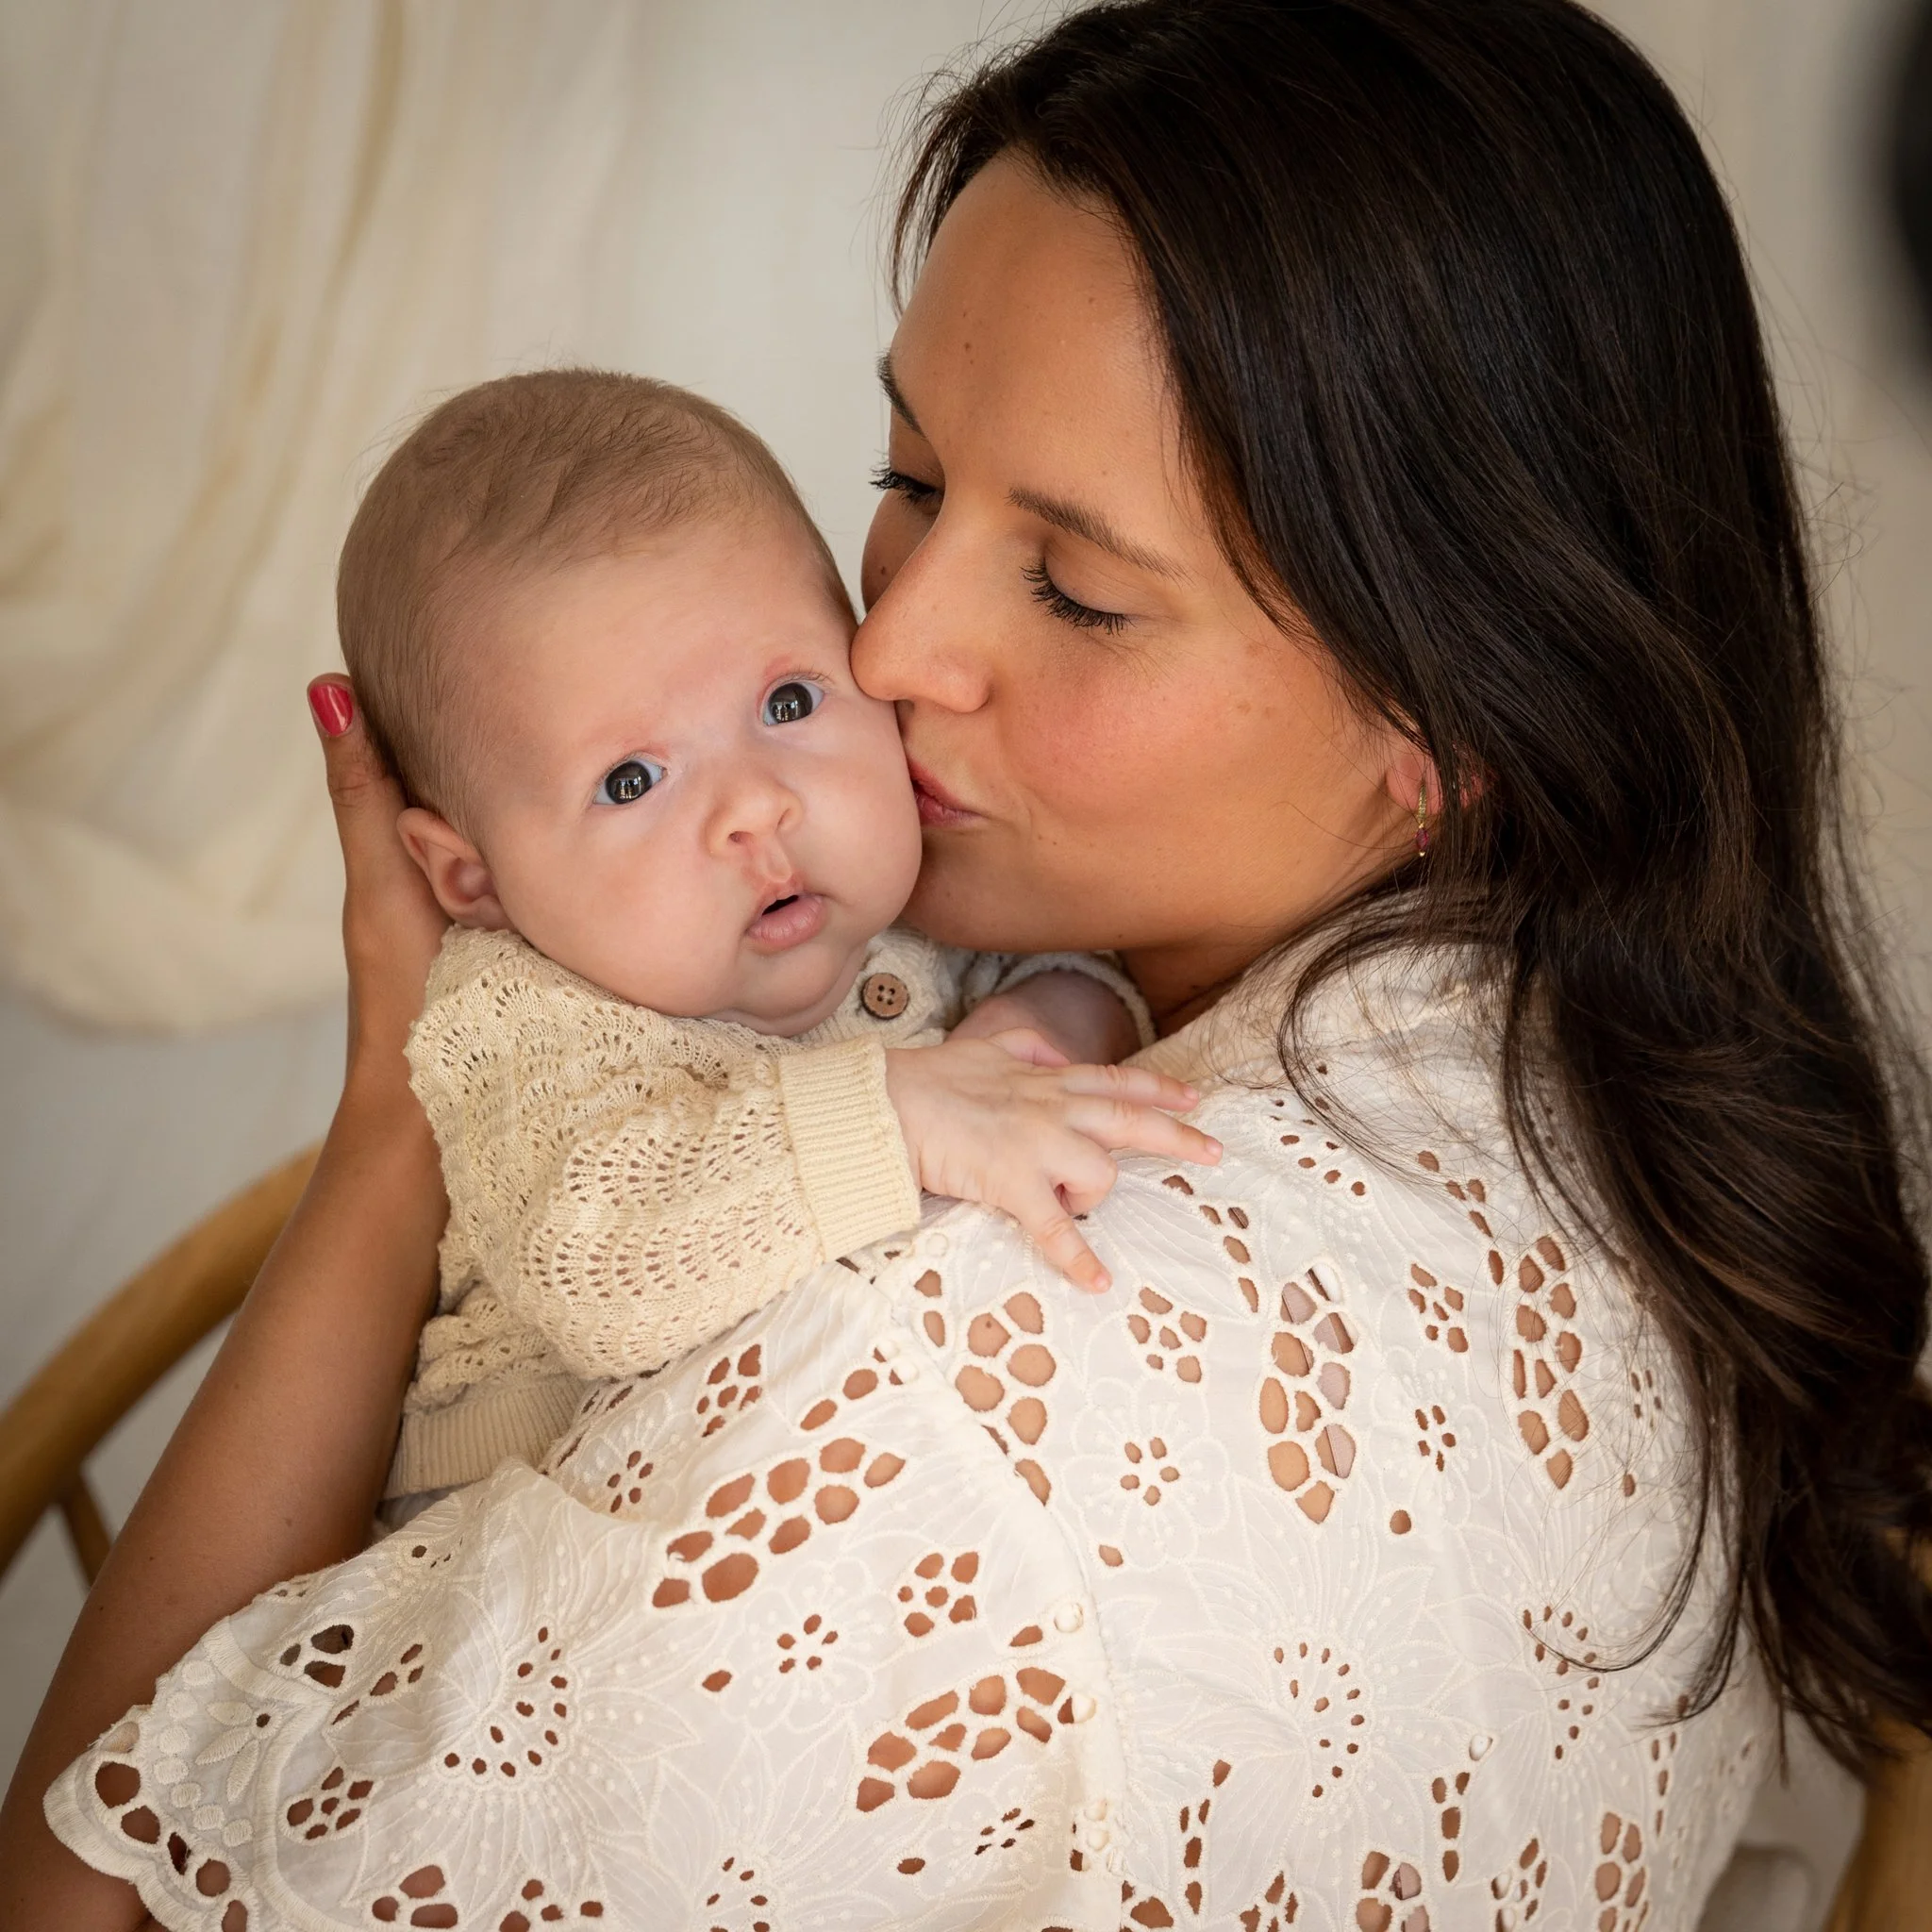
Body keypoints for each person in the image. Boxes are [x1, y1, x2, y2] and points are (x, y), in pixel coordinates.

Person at [8, 1, 1932, 1925]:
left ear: (1453, 723)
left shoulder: (920, 1401)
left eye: (1080, 589)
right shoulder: (1619, 1088)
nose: (891, 645)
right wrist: (409, 1100)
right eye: (911, 476)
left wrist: (379, 1119)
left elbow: (73, 1894)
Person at [324, 366, 1208, 1513]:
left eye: (788, 703)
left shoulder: (905, 899)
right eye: (630, 778)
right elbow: (598, 1264)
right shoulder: (518, 1012)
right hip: (532, 1499)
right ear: (472, 875)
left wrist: (1024, 1034)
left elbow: (1072, 968)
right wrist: (906, 1108)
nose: (754, 806)